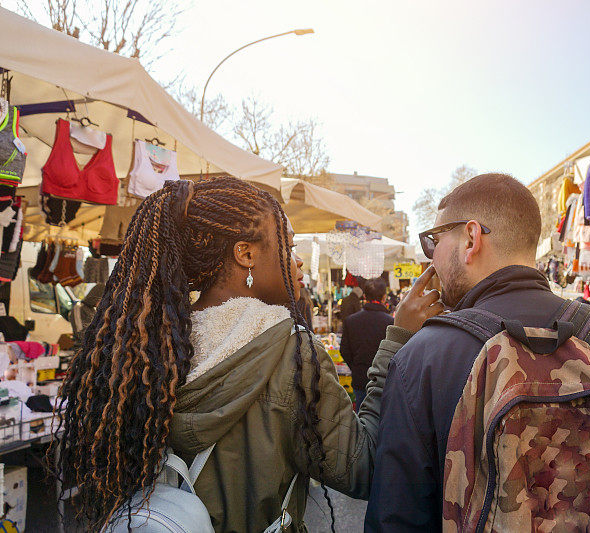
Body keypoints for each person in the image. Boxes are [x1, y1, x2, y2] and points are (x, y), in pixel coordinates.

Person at [52, 177, 443, 532]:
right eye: (287, 246)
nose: (298, 259)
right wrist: (398, 339)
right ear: (246, 254)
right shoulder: (292, 354)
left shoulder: (150, 346)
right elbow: (364, 466)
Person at [365, 173, 590, 532]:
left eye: (434, 240)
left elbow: (396, 519)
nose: (432, 256)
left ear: (470, 238)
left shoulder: (421, 360)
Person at [340, 278, 394, 411]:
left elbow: (344, 350)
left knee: (362, 420)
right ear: (384, 297)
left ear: (364, 296)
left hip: (360, 378)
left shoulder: (351, 321)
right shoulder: (391, 322)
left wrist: (356, 366)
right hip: (384, 381)